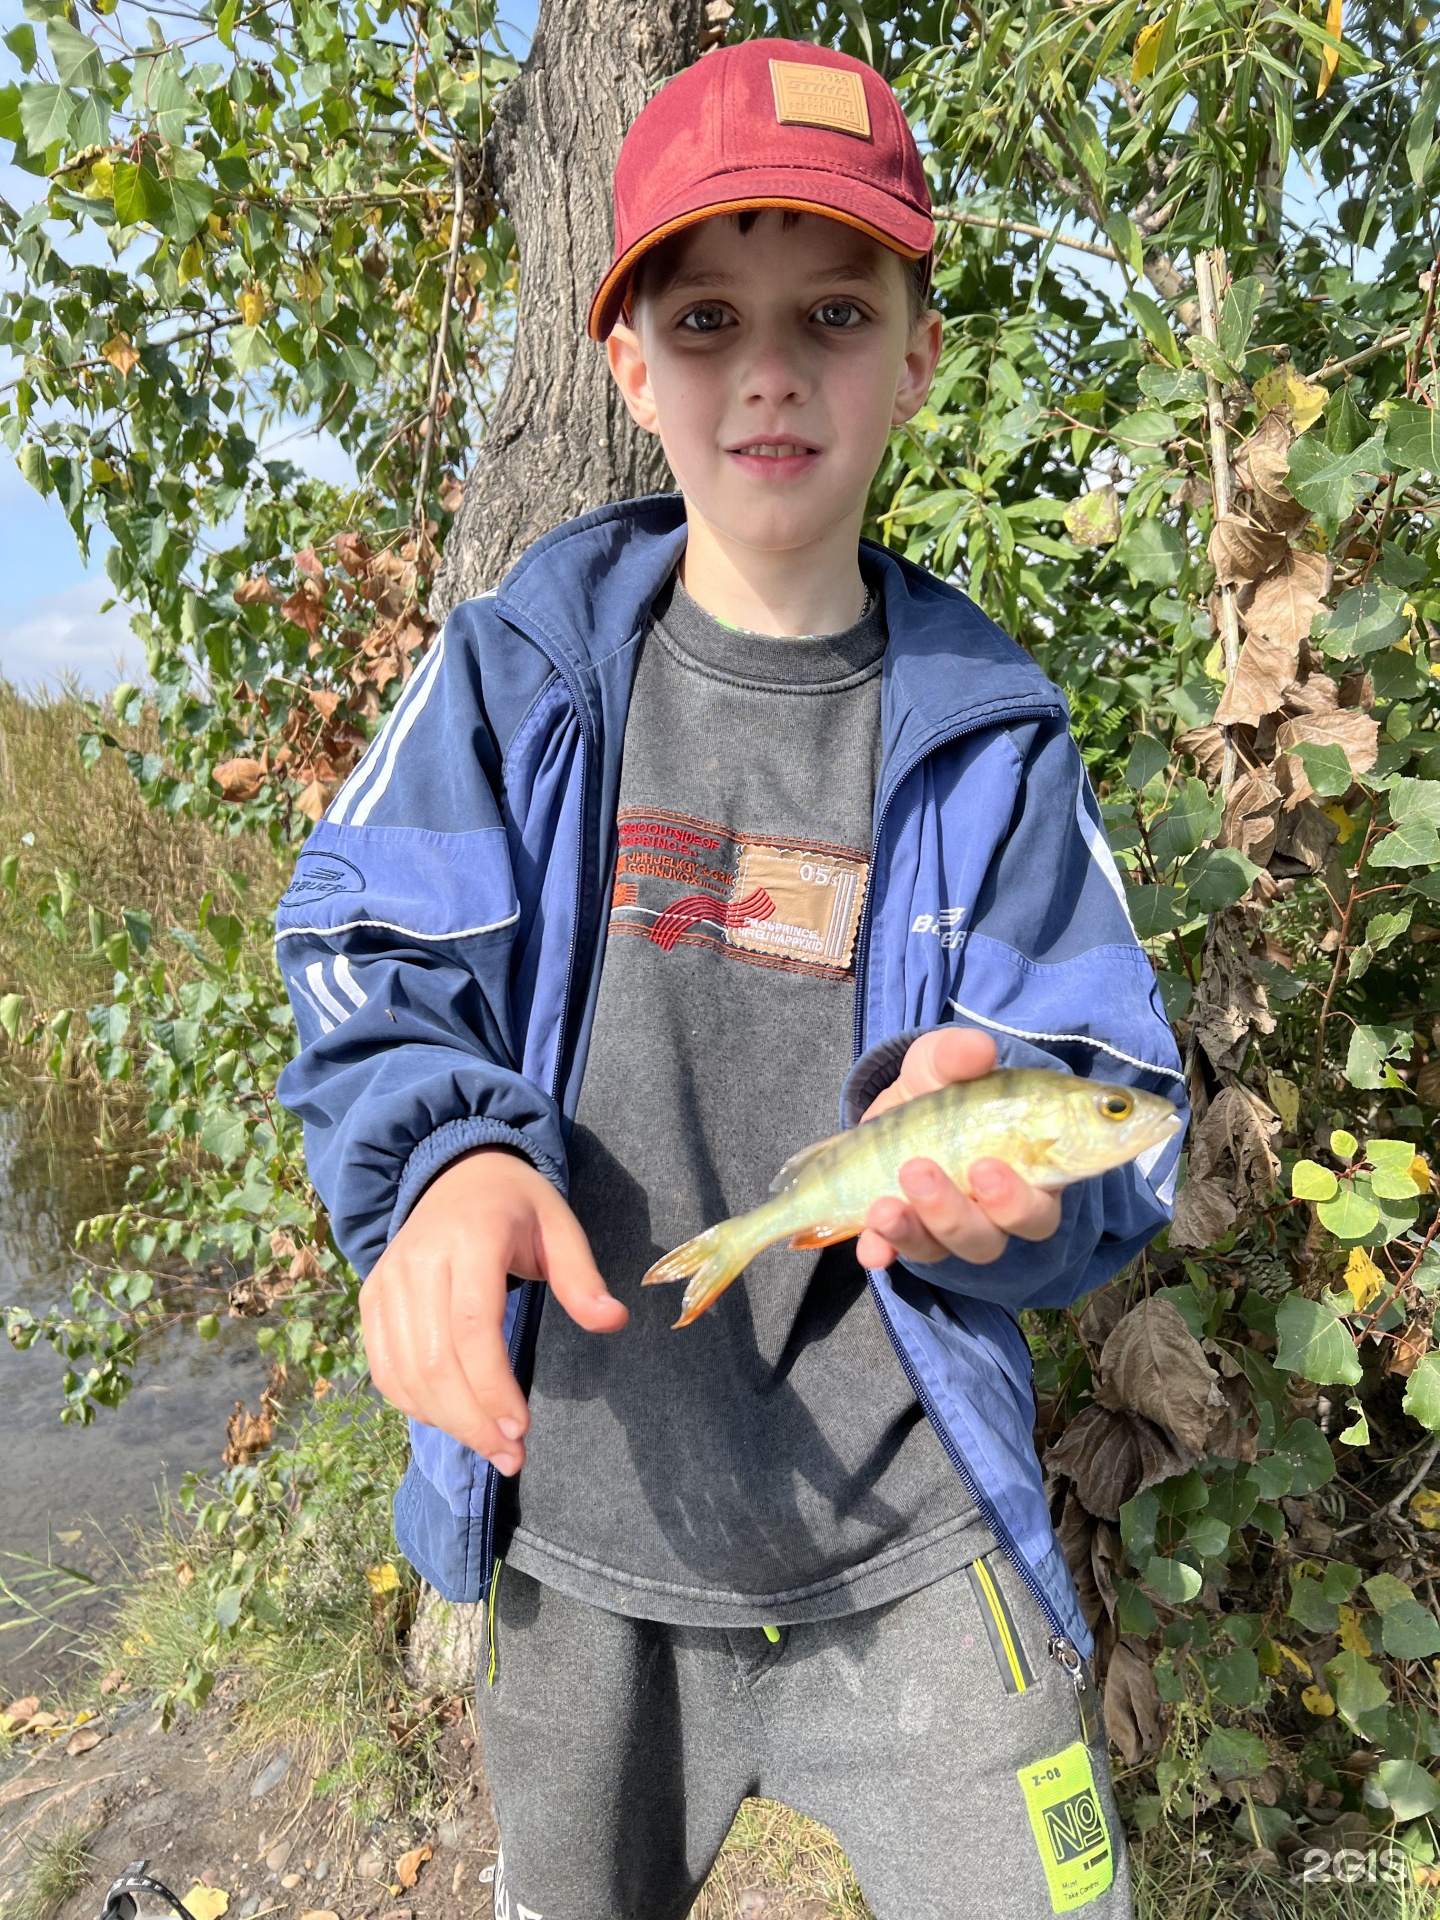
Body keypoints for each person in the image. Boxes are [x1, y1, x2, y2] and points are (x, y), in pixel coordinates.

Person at [275, 36, 1186, 1920]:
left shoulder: (995, 738)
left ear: (919, 352)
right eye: (705, 318)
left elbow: (1115, 1096)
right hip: (594, 1527)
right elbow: (359, 949)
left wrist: (1009, 1214)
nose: (770, 368)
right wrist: (441, 1169)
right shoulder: (518, 676)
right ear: (625, 364)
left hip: (914, 1530)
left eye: (836, 310)